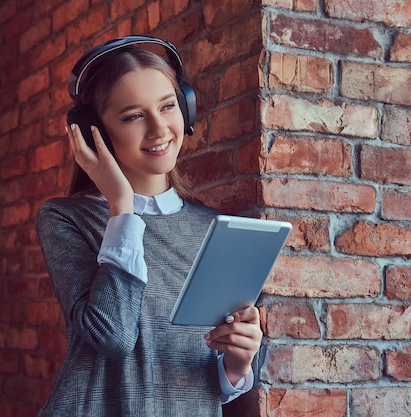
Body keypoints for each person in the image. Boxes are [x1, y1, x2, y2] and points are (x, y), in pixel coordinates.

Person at [35, 36, 263, 417]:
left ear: (186, 110)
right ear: (96, 132)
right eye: (134, 116)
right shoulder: (64, 219)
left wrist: (238, 366)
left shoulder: (215, 231)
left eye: (168, 106)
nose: (159, 129)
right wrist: (121, 206)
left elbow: (206, 372)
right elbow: (112, 336)